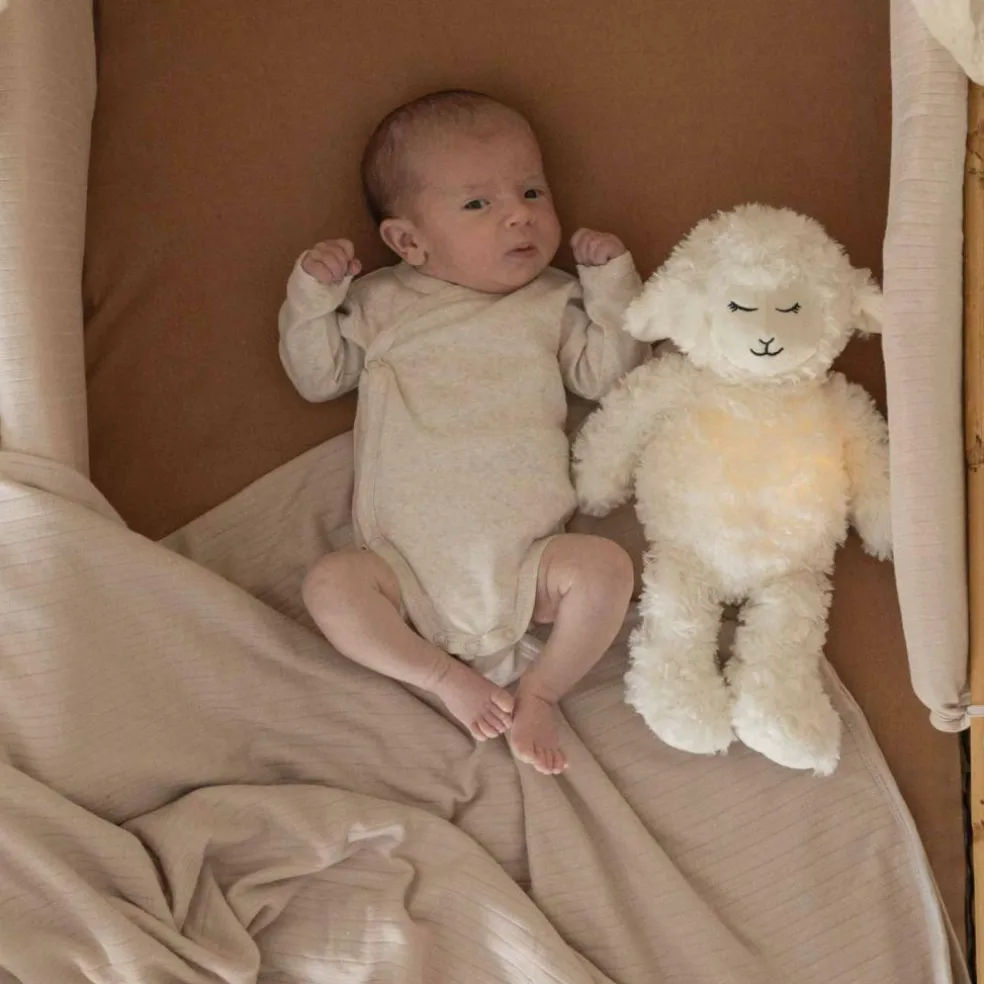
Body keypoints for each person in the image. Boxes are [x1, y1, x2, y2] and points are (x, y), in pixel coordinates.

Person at [279, 90, 645, 774]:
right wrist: (310, 298)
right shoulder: (383, 302)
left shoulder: (552, 300)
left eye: (532, 191)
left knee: (607, 570)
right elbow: (318, 376)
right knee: (331, 586)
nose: (520, 214)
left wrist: (611, 288)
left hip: (531, 562)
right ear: (408, 241)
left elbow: (607, 377)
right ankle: (441, 676)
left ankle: (542, 689)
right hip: (404, 571)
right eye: (478, 203)